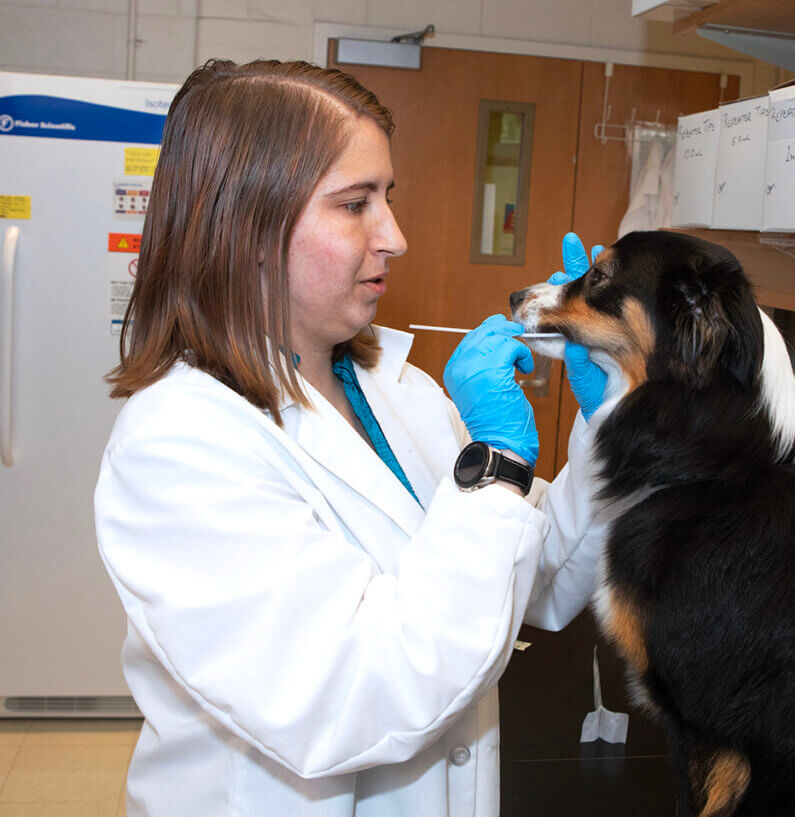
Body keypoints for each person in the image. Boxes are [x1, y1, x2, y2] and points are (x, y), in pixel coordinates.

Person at [93, 58, 612, 817]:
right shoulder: (178, 443)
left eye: (387, 199)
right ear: (250, 226)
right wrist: (497, 463)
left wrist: (613, 422)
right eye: (354, 204)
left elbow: (542, 580)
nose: (395, 237)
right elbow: (358, 697)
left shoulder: (399, 393)